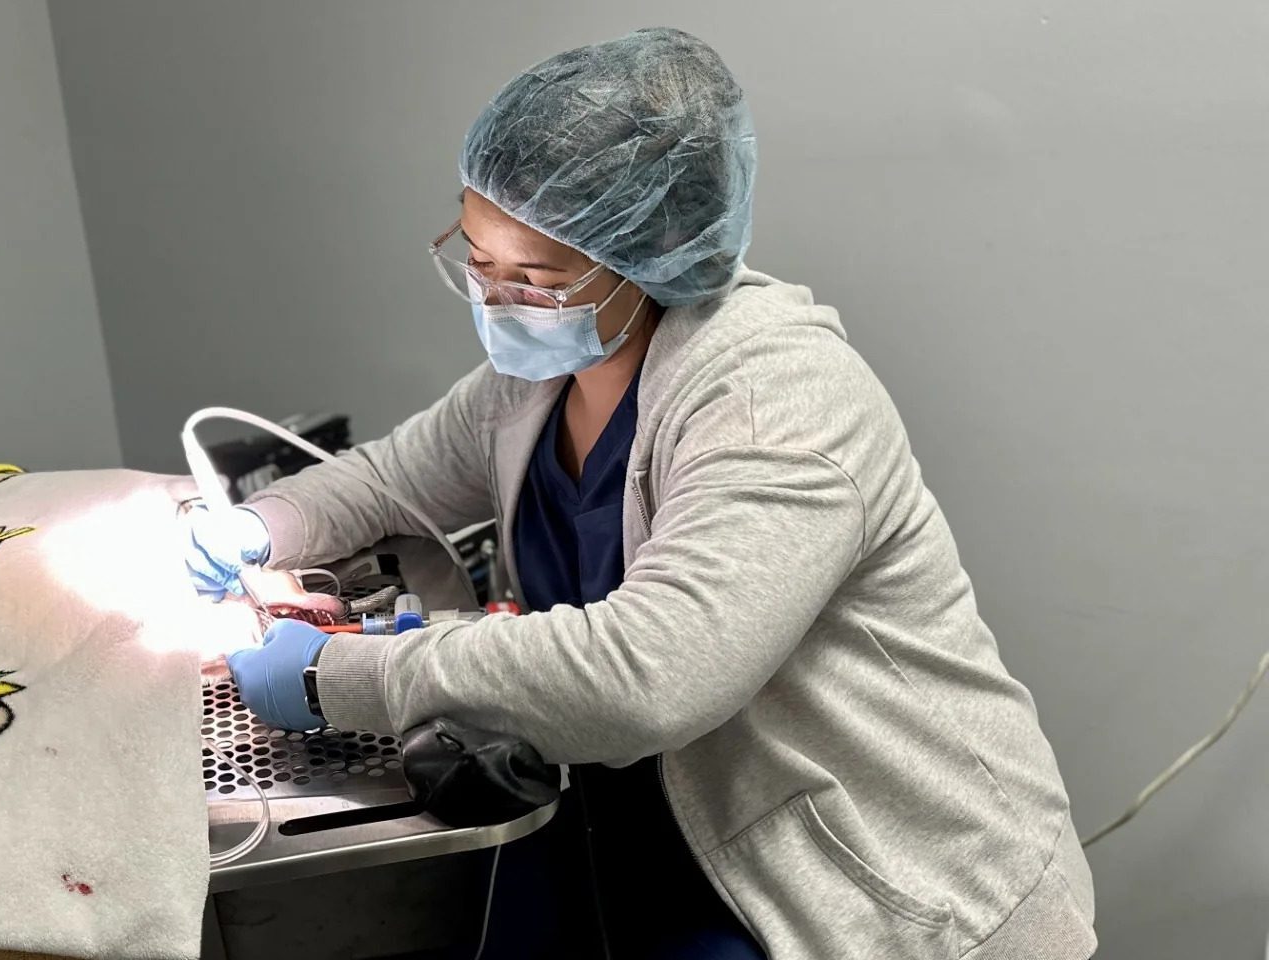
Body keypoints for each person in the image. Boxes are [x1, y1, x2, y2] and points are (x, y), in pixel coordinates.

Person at [183, 27, 1096, 960]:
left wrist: (335, 676)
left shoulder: (772, 403)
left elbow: (650, 673)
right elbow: (392, 476)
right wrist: (260, 526)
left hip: (854, 875)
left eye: (533, 279)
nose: (494, 301)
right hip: (631, 809)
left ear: (647, 256)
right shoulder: (540, 380)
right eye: (477, 259)